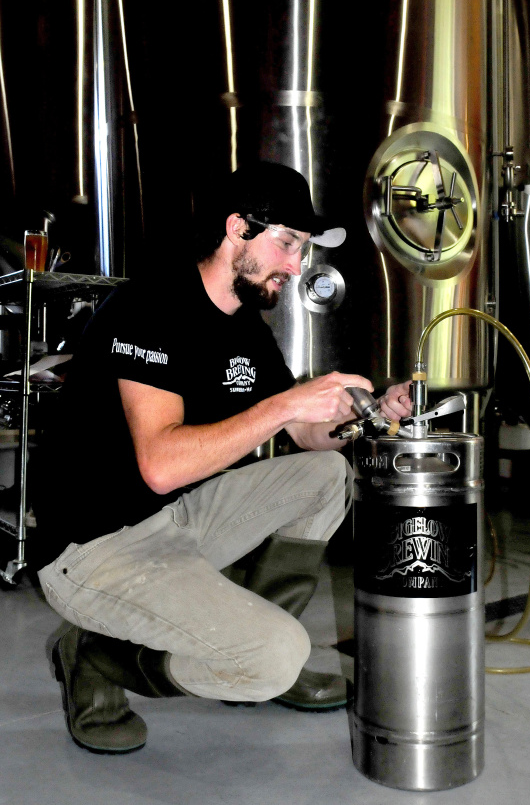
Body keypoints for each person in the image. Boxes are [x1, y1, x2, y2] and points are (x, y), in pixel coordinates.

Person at [35, 162, 412, 755]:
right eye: (287, 243)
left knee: (326, 473)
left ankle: (243, 652)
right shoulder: (150, 308)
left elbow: (306, 437)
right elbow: (161, 464)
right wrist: (289, 400)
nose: (297, 265)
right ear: (238, 229)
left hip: (176, 520)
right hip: (93, 550)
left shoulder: (246, 329)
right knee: (277, 657)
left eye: (303, 248)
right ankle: (96, 656)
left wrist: (372, 413)